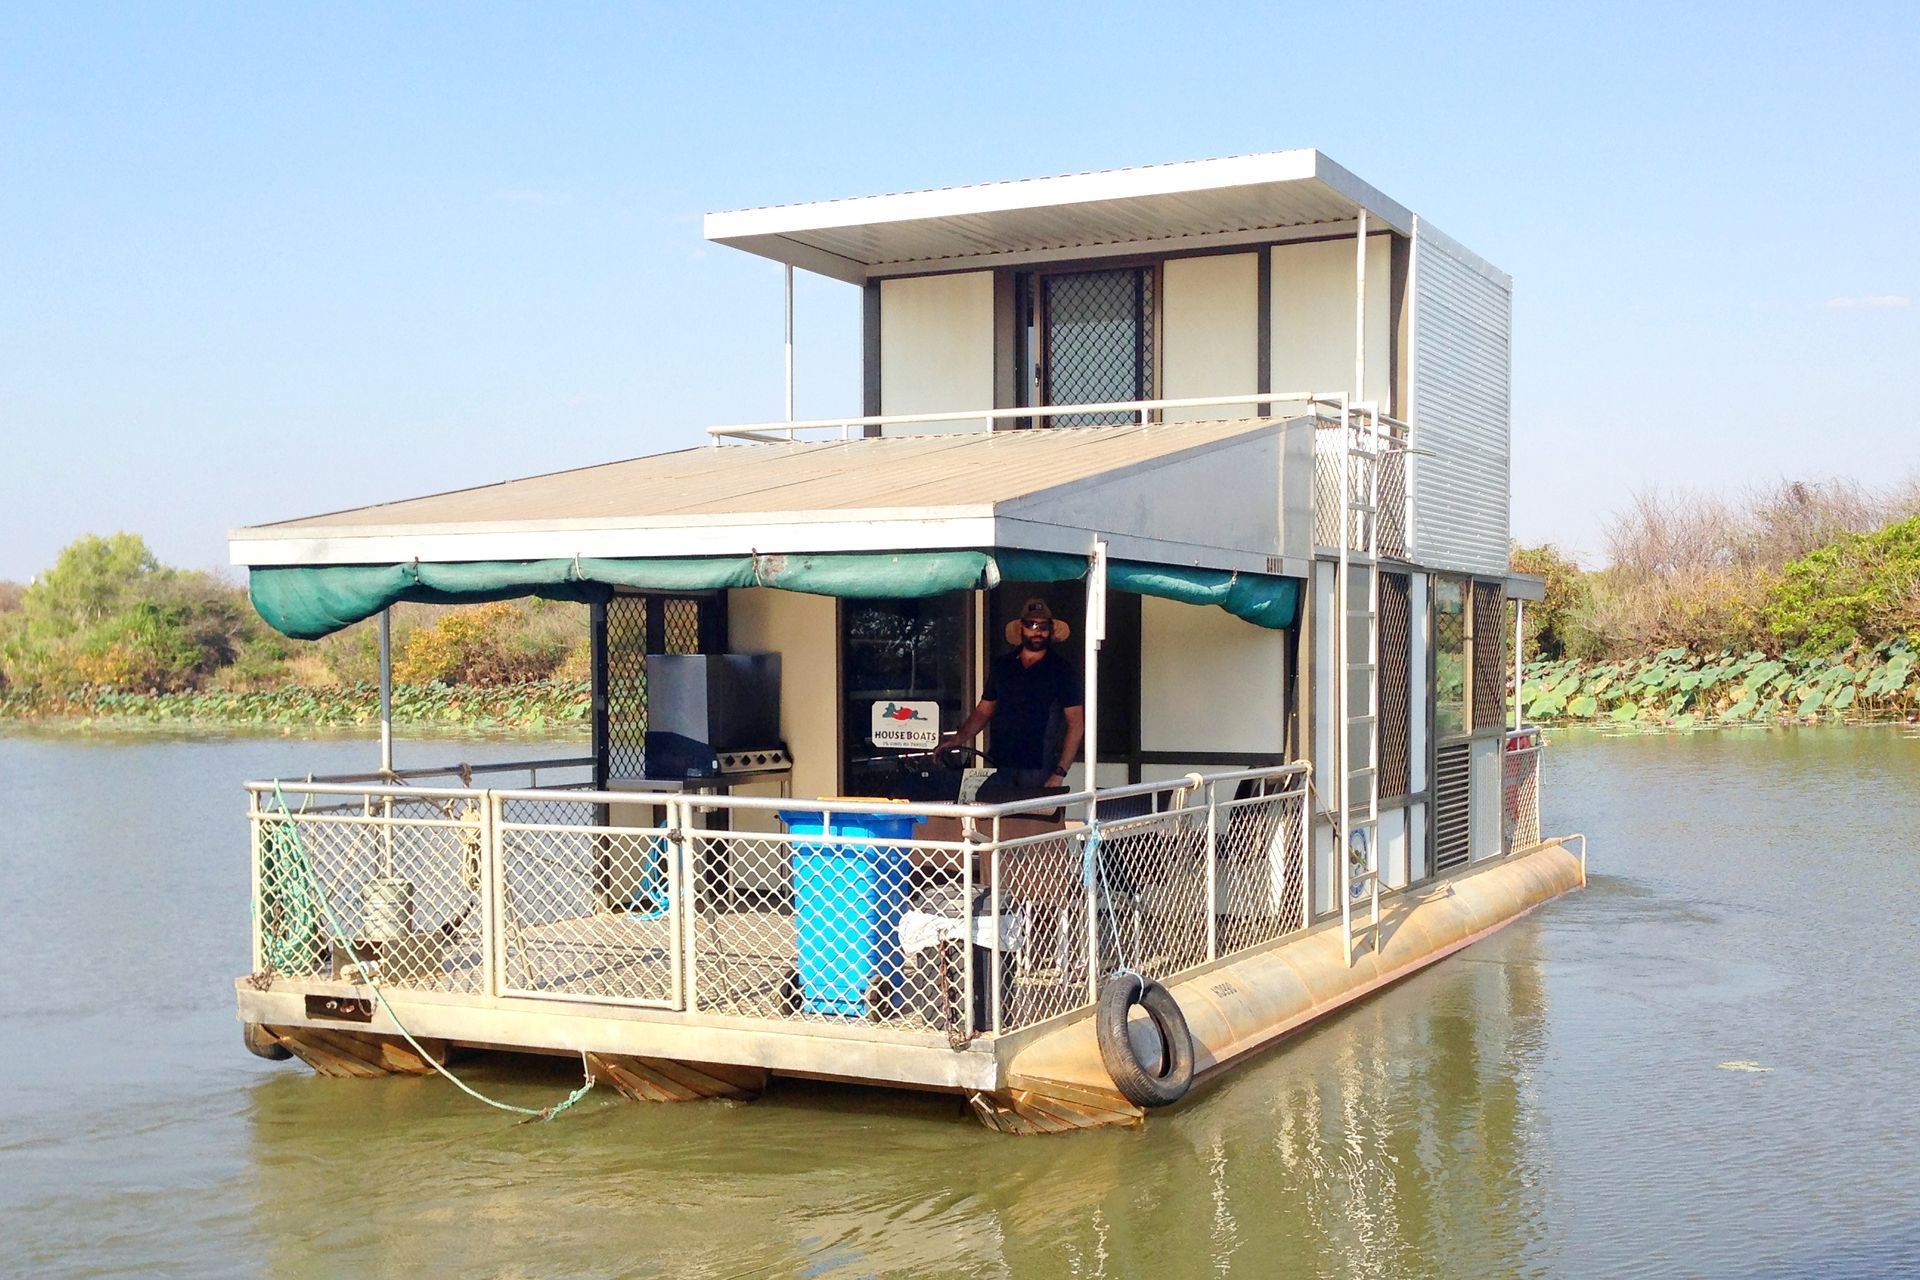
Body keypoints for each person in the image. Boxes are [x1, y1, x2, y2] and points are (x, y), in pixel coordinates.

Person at [936, 597, 1084, 789]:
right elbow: (983, 711)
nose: (1037, 630)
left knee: (1034, 819)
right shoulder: (1002, 666)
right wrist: (958, 738)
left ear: (1051, 630)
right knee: (995, 817)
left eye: (1043, 625)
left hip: (1041, 767)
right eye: (1031, 624)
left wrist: (1060, 772)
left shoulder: (1062, 669)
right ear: (1021, 627)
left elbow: (1076, 723)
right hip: (1000, 764)